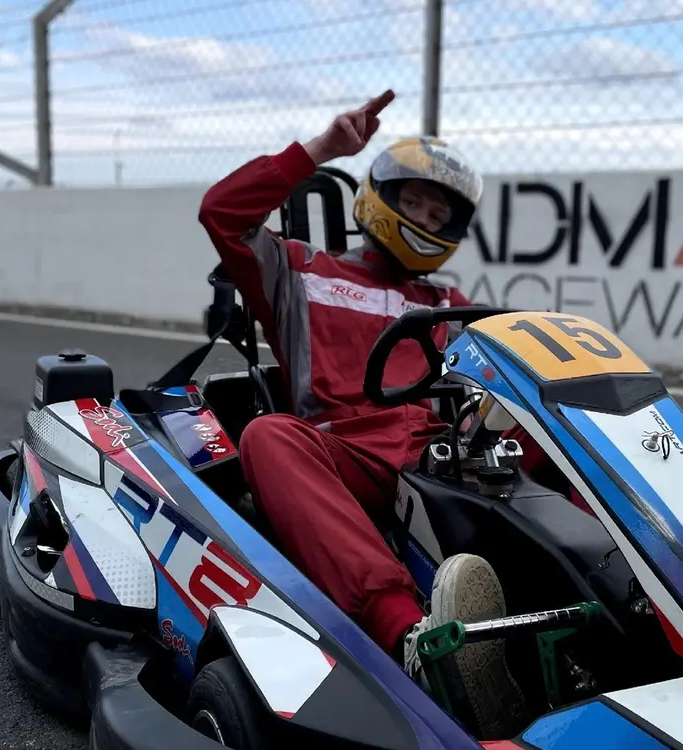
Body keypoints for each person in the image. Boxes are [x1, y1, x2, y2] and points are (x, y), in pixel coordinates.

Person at [198, 89, 526, 738]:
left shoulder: (450, 303)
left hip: (440, 451)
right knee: (268, 436)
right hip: (343, 452)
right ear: (381, 198)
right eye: (416, 203)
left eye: (440, 214)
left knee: (549, 424)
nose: (426, 219)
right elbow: (221, 213)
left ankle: (645, 589)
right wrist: (321, 149)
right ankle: (411, 637)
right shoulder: (299, 271)